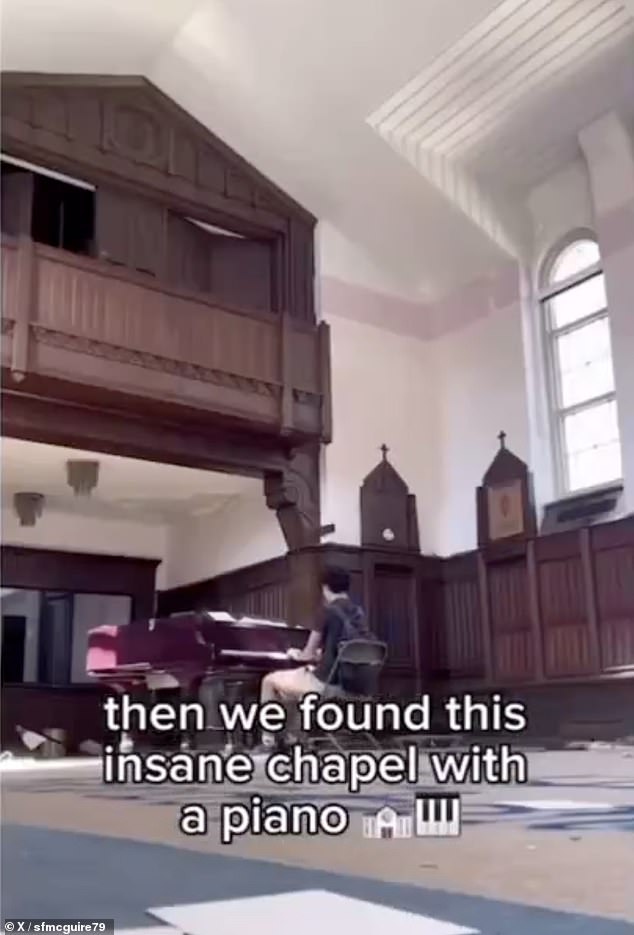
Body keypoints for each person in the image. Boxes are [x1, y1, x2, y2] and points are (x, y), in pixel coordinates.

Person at [252, 566, 369, 754]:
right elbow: (346, 650)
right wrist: (319, 656)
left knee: (270, 680)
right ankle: (294, 738)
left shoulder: (327, 611)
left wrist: (296, 654)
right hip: (353, 684)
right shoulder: (359, 613)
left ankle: (269, 741)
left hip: (325, 684)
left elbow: (307, 654)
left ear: (324, 587)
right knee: (289, 692)